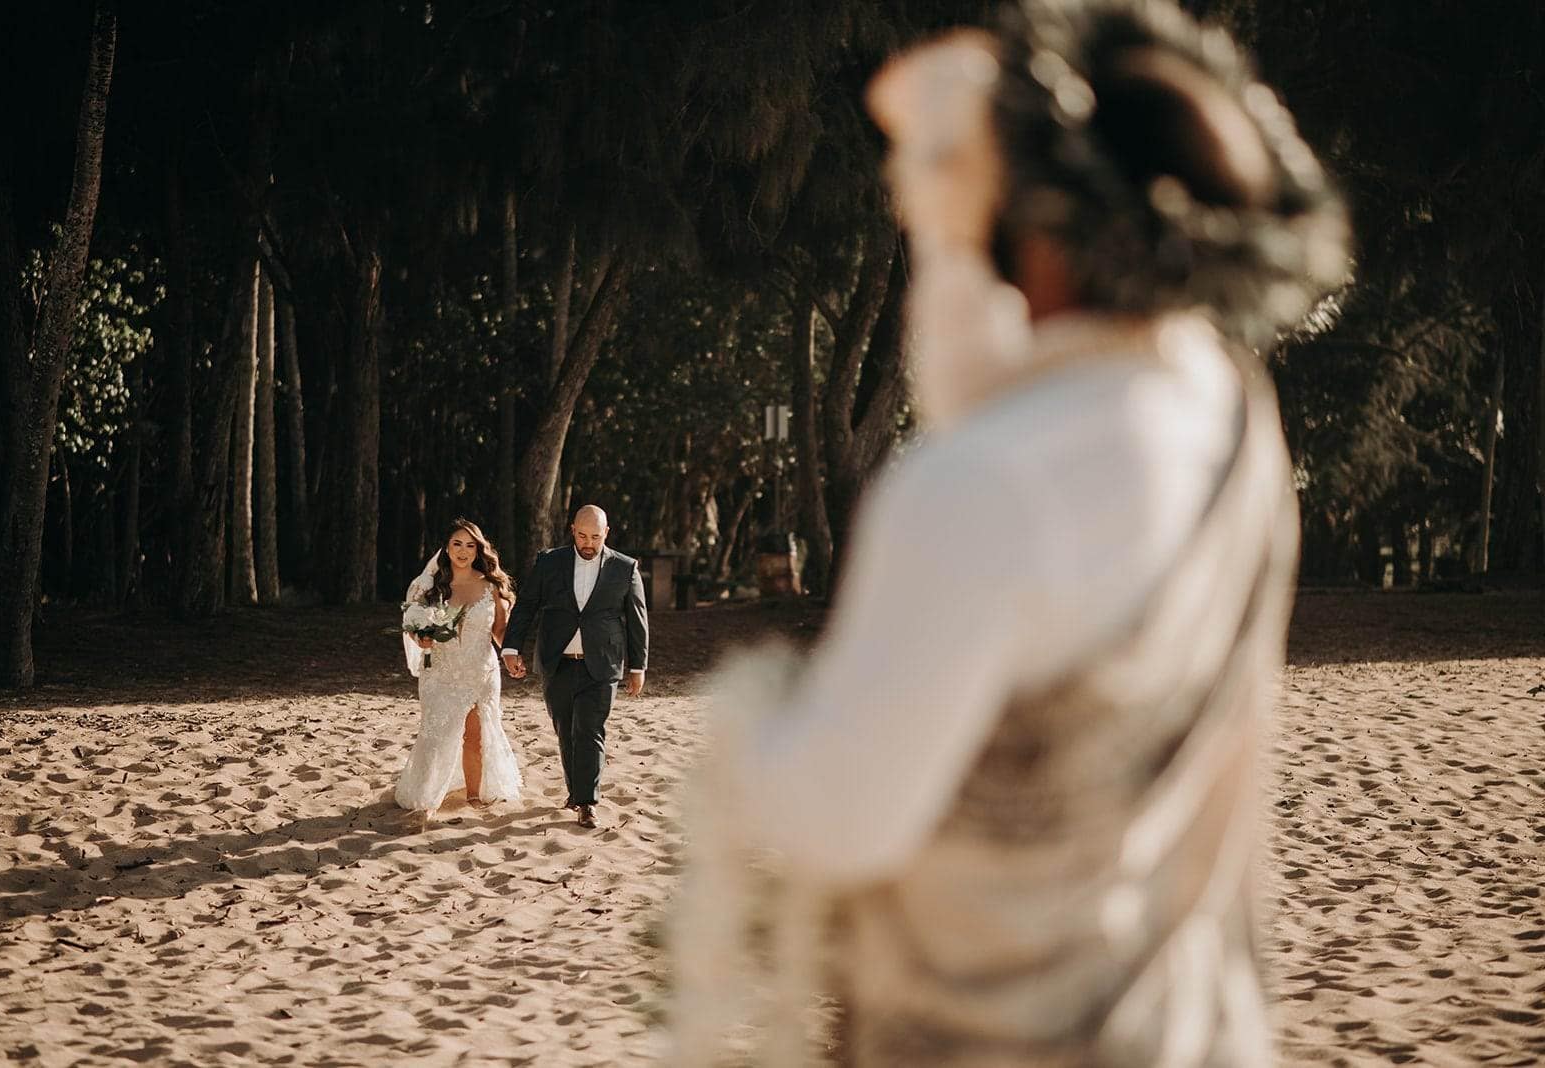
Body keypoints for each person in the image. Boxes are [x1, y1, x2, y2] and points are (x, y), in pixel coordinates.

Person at [669, 1, 1350, 1064]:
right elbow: (994, 383)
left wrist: (750, 726)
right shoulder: (1229, 414)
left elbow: (839, 818)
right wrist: (956, 215)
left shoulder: (980, 488)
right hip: (1184, 1028)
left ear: (1032, 214)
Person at [501, 505, 649, 830]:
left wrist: (638, 667)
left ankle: (587, 802)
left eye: (595, 536)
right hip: (558, 662)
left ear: (606, 533)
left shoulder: (625, 568)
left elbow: (637, 620)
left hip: (603, 664)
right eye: (582, 535)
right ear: (572, 530)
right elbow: (526, 605)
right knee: (565, 730)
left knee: (590, 730)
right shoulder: (549, 562)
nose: (588, 542)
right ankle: (575, 793)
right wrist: (511, 647)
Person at [395, 518, 523, 816]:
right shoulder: (431, 588)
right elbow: (413, 625)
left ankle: (474, 795)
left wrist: (513, 657)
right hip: (440, 671)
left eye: (470, 545)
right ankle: (427, 794)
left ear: (479, 549)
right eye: (457, 544)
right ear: (446, 547)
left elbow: (500, 632)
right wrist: (422, 638)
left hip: (480, 670)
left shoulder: (492, 586)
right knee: (437, 734)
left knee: (475, 735)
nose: (463, 551)